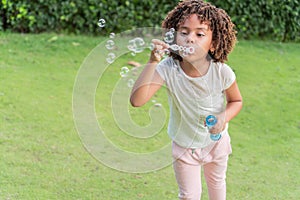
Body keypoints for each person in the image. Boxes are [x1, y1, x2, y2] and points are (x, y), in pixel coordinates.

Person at [130, 0, 242, 199]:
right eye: (184, 32)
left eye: (200, 34)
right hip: (184, 146)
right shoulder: (168, 68)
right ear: (174, 37)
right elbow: (137, 100)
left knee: (217, 188)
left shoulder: (221, 72)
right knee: (189, 196)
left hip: (216, 143)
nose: (190, 39)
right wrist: (152, 62)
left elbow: (236, 102)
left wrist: (223, 117)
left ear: (213, 43)